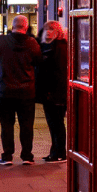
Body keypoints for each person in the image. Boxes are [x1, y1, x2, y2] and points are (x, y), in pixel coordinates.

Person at [0, 14, 41, 166]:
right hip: (26, 92)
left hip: (5, 91)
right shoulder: (32, 43)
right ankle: (27, 155)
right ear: (26, 27)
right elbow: (38, 61)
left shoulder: (1, 41)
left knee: (6, 125)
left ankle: (7, 156)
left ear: (12, 26)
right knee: (26, 125)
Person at [35, 21, 69, 162]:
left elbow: (59, 73)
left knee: (57, 123)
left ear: (58, 31)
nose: (48, 31)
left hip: (55, 92)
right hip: (47, 91)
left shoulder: (60, 47)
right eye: (47, 29)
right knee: (52, 123)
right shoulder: (45, 46)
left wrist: (53, 92)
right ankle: (54, 151)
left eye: (52, 29)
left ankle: (60, 152)